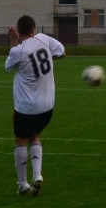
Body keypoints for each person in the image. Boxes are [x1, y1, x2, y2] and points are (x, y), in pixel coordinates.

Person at [5, 15, 65, 195]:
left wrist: (13, 41)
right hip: (47, 107)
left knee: (20, 140)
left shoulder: (18, 51)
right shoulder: (44, 39)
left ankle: (22, 184)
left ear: (19, 31)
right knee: (34, 135)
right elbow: (61, 51)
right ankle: (37, 174)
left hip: (26, 107)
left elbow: (8, 67)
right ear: (33, 29)